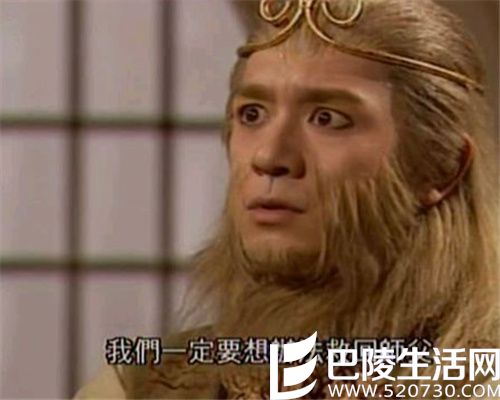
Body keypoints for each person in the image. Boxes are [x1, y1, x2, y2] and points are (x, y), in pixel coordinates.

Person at [75, 0, 499, 398]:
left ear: (441, 168)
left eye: (328, 119)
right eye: (252, 114)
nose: (270, 156)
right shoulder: (139, 388)